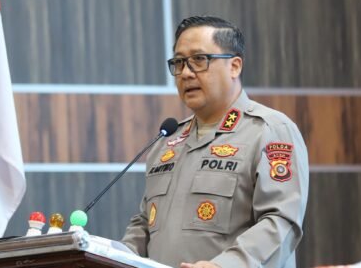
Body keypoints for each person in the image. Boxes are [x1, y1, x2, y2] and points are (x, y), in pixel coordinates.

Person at [122, 16, 309, 268]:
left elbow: (281, 221)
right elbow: (145, 224)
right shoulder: (168, 140)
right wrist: (110, 255)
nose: (186, 73)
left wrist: (225, 265)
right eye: (179, 62)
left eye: (199, 60)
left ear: (235, 66)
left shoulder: (269, 130)